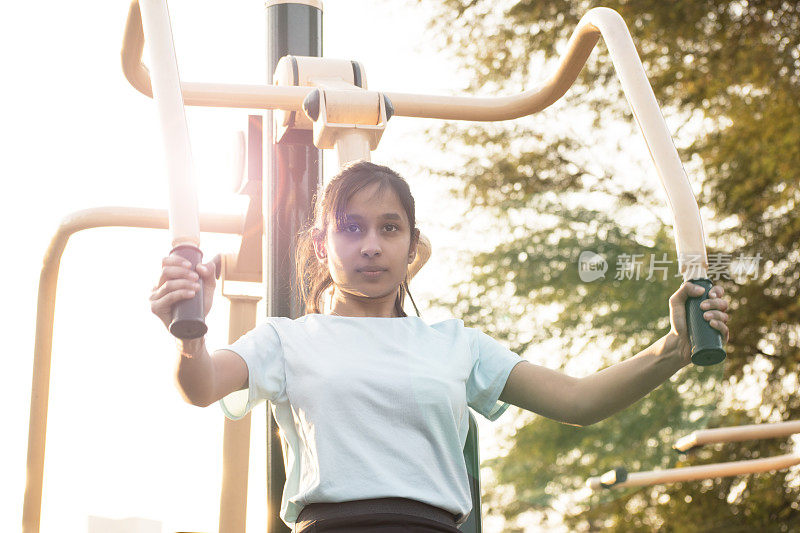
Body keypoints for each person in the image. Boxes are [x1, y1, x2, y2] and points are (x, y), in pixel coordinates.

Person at [150, 160, 731, 532]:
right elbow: (199, 387)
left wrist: (675, 347)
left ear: (411, 244)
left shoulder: (454, 343)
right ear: (322, 244)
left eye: (389, 227)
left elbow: (578, 402)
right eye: (351, 228)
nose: (371, 245)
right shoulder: (286, 339)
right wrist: (190, 330)